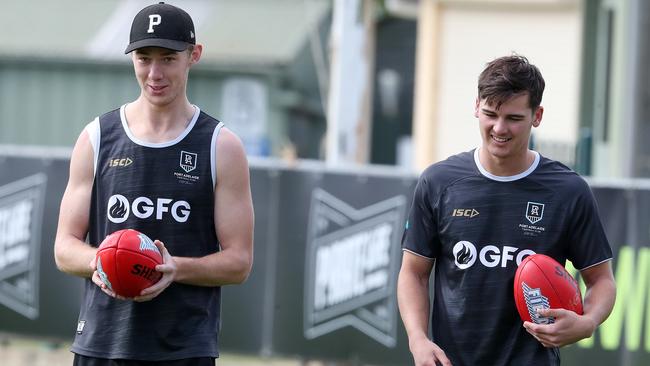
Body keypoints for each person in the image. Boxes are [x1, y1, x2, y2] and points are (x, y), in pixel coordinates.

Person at [54, 2, 254, 365]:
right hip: (101, 346)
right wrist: (103, 260)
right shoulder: (97, 137)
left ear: (194, 55)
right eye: (144, 58)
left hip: (184, 351)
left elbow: (239, 262)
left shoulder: (220, 145)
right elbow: (64, 248)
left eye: (168, 58)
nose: (154, 72)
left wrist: (174, 268)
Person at [397, 55, 616, 366]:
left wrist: (588, 322)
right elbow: (413, 273)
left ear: (536, 116)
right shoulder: (439, 182)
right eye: (490, 114)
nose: (499, 128)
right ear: (476, 106)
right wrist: (418, 340)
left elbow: (601, 280)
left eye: (513, 118)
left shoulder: (568, 191)